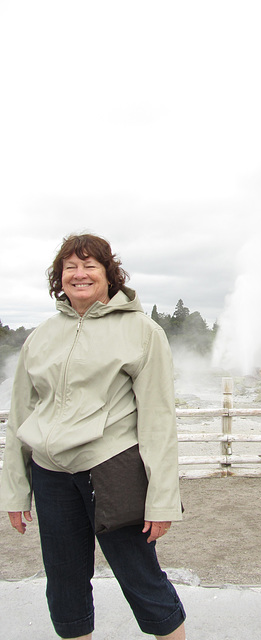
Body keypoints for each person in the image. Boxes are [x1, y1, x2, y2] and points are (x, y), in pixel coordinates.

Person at [0, 233, 186, 640]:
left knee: (141, 578)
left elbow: (158, 420)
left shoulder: (142, 331)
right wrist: (15, 491)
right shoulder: (41, 336)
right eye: (70, 267)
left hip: (112, 471)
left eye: (89, 266)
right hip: (50, 475)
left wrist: (162, 499)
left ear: (108, 275)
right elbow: (20, 416)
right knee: (64, 584)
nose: (79, 274)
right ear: (59, 278)